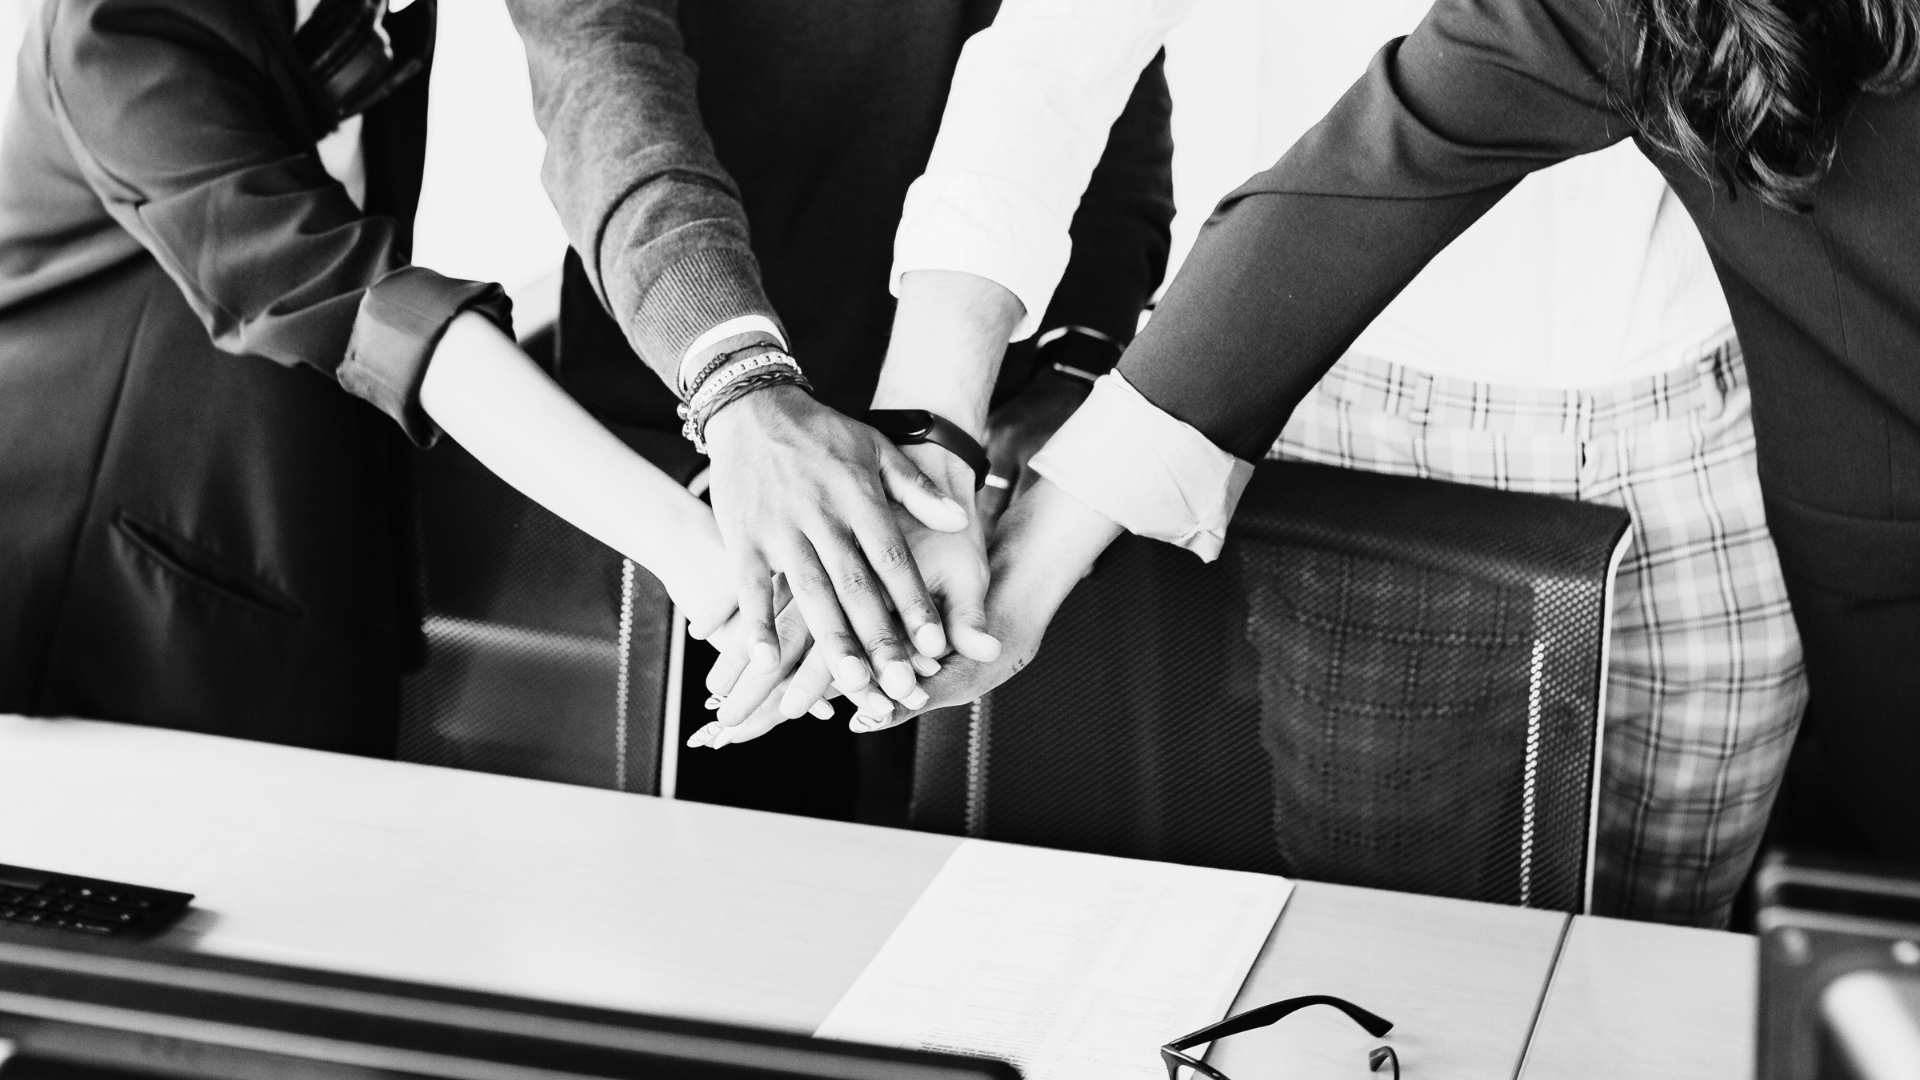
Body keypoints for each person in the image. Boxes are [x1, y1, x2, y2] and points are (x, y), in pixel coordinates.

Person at [703, 0, 1811, 928]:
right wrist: (928, 440)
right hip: (1360, 406)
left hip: (1723, 408)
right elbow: (1047, 66)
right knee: (1382, 932)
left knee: (1680, 932)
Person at [0, 0, 839, 752]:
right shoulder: (116, 29)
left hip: (309, 544)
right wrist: (695, 551)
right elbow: (358, 301)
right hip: (118, 595)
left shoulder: (375, 12)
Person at [502, 0, 1175, 814]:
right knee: (738, 817)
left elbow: (1079, 62)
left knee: (997, 816)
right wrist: (736, 385)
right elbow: (604, 75)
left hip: (987, 425)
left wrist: (1078, 358)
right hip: (699, 428)